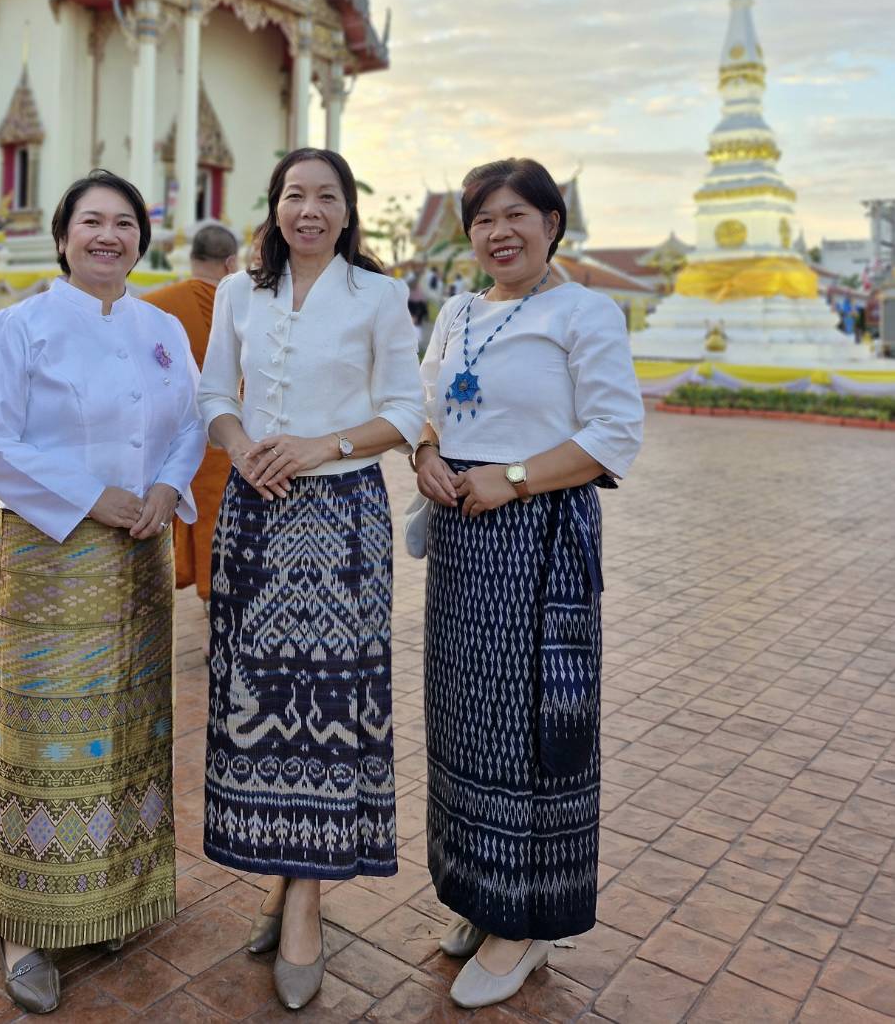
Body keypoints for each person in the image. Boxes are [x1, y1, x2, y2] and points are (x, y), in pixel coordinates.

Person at [0, 170, 206, 1015]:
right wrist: (90, 495)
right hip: (51, 557)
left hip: (140, 555)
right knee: (44, 731)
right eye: (92, 221)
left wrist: (169, 487)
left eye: (125, 222)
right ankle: (24, 925)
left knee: (127, 727)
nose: (109, 235)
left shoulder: (162, 328)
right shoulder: (20, 326)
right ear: (63, 236)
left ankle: (106, 900)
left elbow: (190, 424)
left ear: (142, 237)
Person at [413, 157, 643, 1011]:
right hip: (461, 537)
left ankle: (527, 920)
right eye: (483, 218)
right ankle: (481, 894)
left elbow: (615, 432)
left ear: (552, 222)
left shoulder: (585, 311)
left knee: (531, 726)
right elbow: (426, 402)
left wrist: (510, 478)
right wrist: (425, 451)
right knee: (463, 718)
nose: (499, 232)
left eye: (517, 214)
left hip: (537, 534)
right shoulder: (457, 311)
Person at [198, 147, 425, 1011]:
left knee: (330, 703)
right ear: (275, 205)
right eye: (295, 194)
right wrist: (241, 450)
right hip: (254, 513)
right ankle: (279, 873)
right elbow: (214, 394)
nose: (310, 210)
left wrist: (319, 446)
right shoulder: (238, 292)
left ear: (348, 210)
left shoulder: (377, 295)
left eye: (327, 196)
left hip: (344, 518)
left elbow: (405, 411)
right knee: (257, 699)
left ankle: (306, 899)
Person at [143, 223, 240, 604]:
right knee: (224, 519)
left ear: (192, 257)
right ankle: (219, 600)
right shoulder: (244, 305)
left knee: (193, 512)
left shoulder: (154, 305)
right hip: (232, 437)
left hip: (172, 438)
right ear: (230, 263)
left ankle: (207, 598)